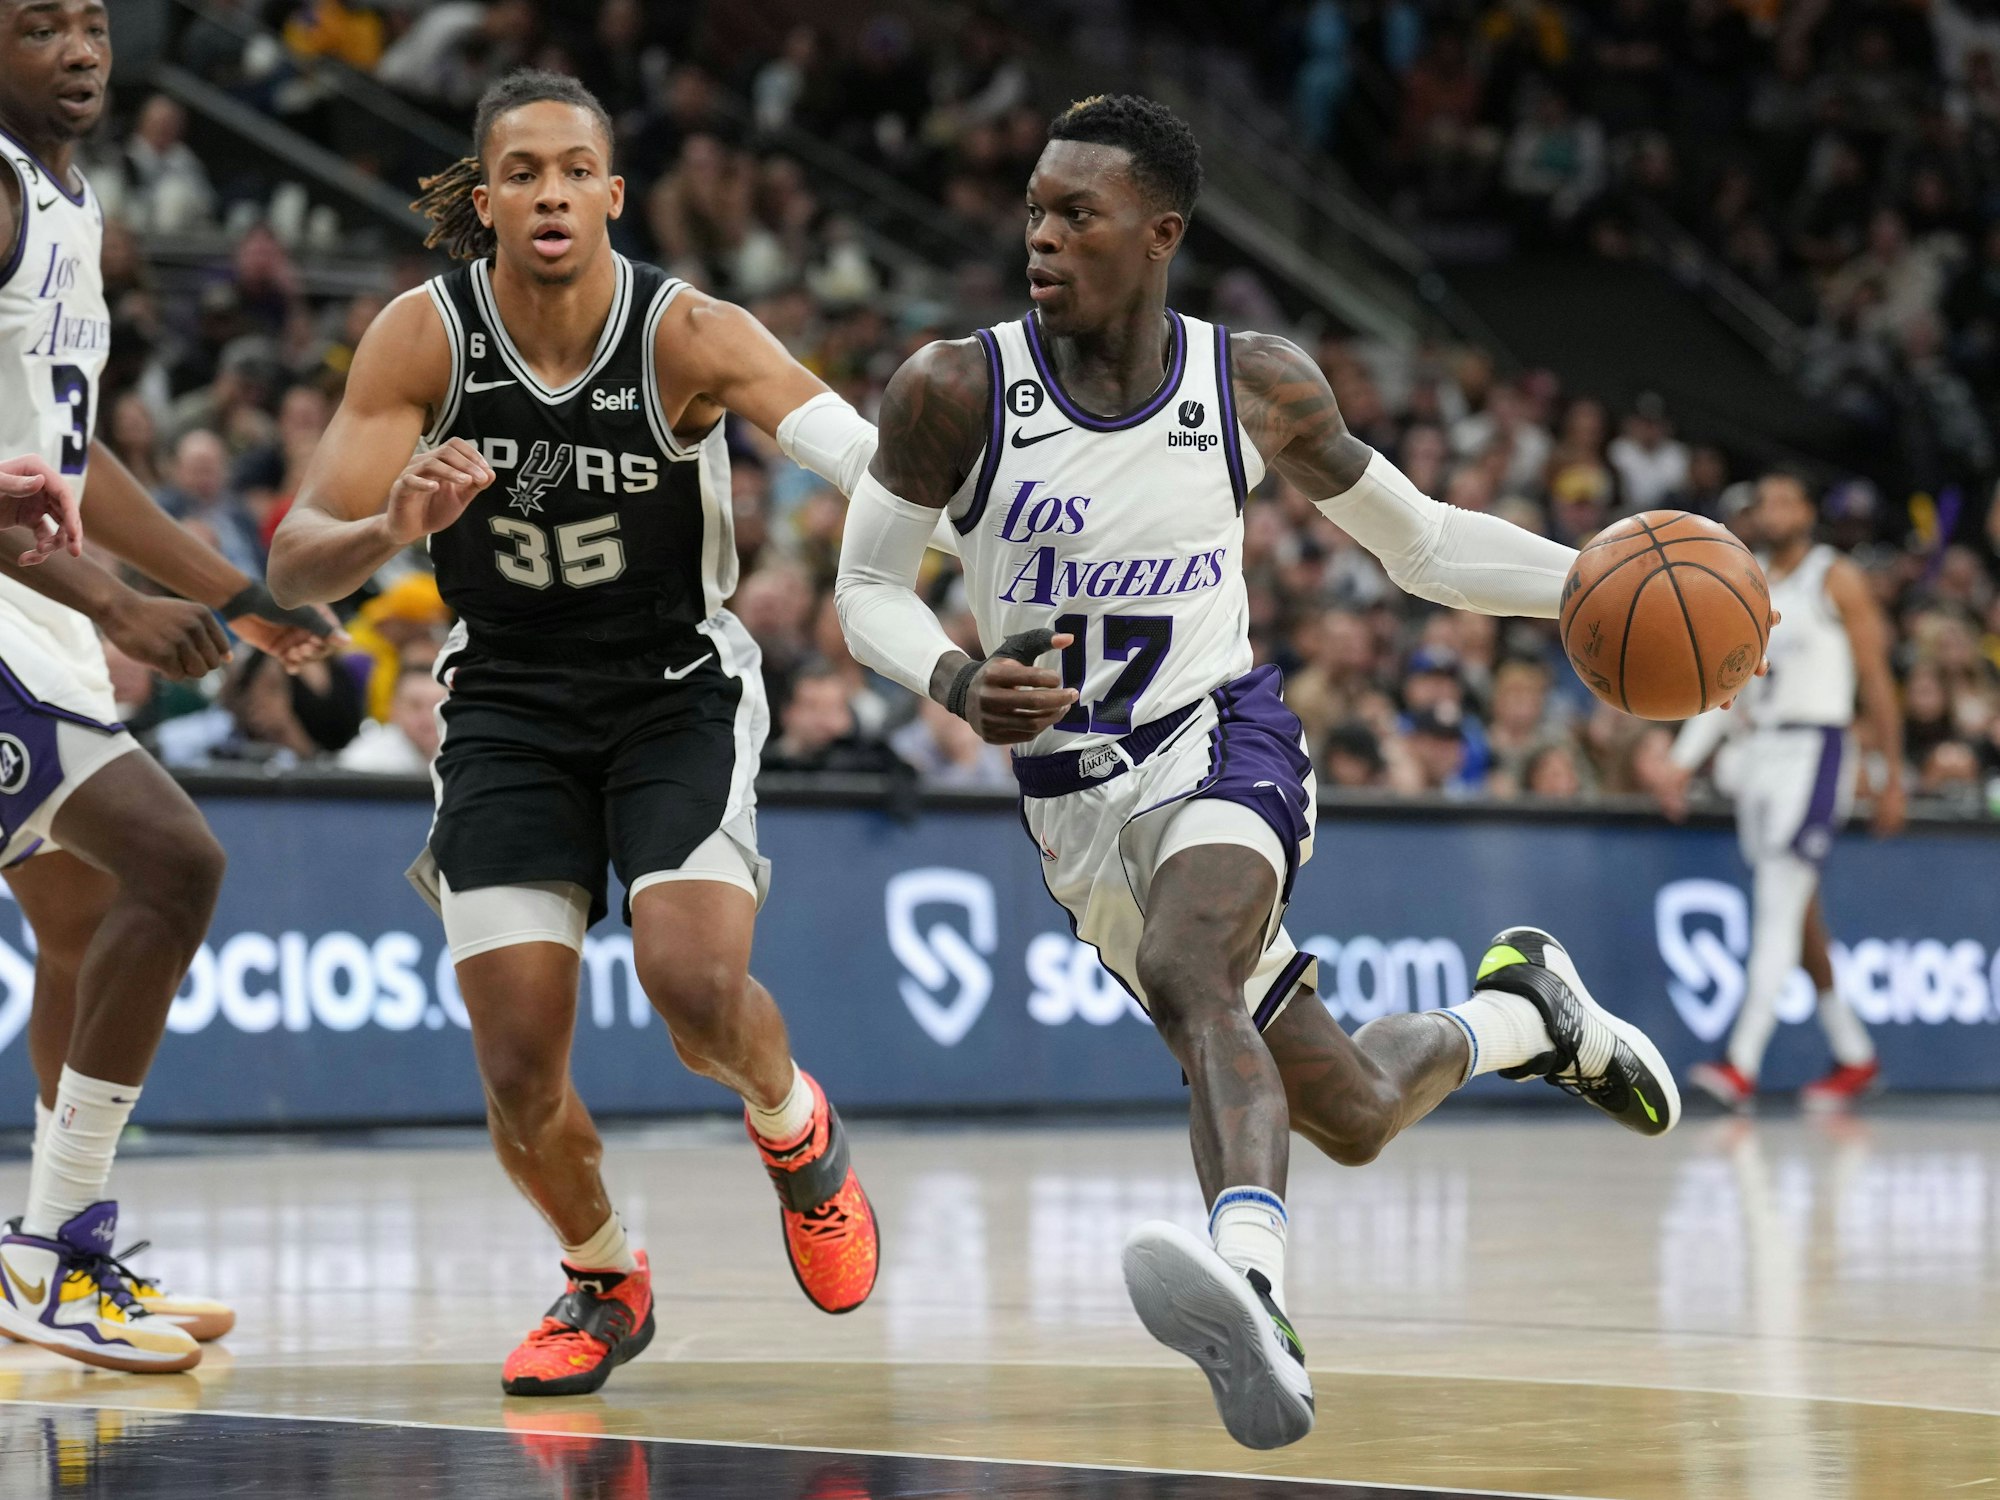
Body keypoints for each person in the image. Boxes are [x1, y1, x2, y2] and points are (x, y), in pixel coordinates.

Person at [837, 94, 1728, 1451]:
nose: (1043, 238)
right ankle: (1533, 1018)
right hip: (1077, 809)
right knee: (1356, 1112)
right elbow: (865, 591)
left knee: (1201, 965)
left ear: (1162, 233)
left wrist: (1594, 586)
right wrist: (955, 679)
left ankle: (1252, 1280)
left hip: (1223, 735)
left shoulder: (1253, 382)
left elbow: (1420, 545)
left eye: (1078, 214)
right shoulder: (953, 388)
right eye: (1033, 210)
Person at [268, 70, 883, 1399]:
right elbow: (294, 563)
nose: (550, 191)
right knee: (516, 1060)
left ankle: (795, 1130)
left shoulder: (690, 332)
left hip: (673, 683)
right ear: (485, 201)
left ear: (613, 192)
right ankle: (605, 1278)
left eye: (574, 170)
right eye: (523, 172)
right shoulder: (423, 341)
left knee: (693, 988)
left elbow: (864, 462)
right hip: (506, 700)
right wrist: (390, 530)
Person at [0, 0, 336, 1373]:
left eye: (92, 22)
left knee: (82, 917)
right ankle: (52, 1253)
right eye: (37, 27)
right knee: (172, 867)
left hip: (39, 615)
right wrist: (116, 602)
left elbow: (75, 465)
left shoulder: (65, 200)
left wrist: (229, 593)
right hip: (16, 614)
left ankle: (48, 1243)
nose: (80, 49)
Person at [1659, 471, 1905, 1110]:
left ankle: (1740, 1064)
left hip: (1818, 749)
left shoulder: (1835, 576)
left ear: (1807, 510)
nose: (1775, 510)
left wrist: (1891, 778)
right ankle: (1854, 1054)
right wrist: (1685, 759)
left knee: (1777, 901)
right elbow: (1723, 679)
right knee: (1798, 912)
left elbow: (1877, 680)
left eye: (1787, 498)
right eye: (1766, 501)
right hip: (1760, 751)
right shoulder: (1747, 578)